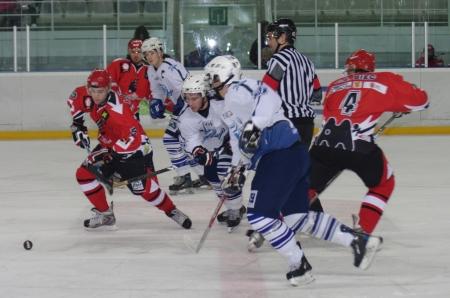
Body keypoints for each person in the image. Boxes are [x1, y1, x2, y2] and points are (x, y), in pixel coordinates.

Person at [204, 55, 382, 286]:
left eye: (213, 76)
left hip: (280, 155)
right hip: (290, 155)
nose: (210, 81)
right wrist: (237, 169)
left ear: (228, 75)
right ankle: (358, 242)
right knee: (297, 218)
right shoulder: (228, 106)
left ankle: (299, 265)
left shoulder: (241, 87)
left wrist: (255, 125)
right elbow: (242, 142)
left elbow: (269, 98)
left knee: (259, 217)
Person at [309, 49, 429, 237]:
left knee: (307, 185)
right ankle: (364, 230)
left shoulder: (334, 84)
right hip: (358, 147)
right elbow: (421, 101)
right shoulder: (384, 79)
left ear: (350, 68)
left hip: (323, 144)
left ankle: (279, 220)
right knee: (384, 183)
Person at [67, 69, 192, 230]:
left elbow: (133, 141)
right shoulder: (85, 94)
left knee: (145, 191)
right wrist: (78, 126)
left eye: (100, 91)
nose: (96, 95)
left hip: (136, 149)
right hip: (110, 143)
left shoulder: (118, 113)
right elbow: (74, 100)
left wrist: (114, 165)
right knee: (83, 175)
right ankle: (106, 214)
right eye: (92, 91)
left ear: (108, 89)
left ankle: (171, 210)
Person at [178, 74, 246, 231]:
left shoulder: (221, 105)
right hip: (210, 151)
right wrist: (199, 152)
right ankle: (234, 207)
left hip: (229, 147)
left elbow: (237, 122)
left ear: (204, 95)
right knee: (212, 179)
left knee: (225, 173)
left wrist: (233, 139)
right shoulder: (186, 118)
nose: (190, 103)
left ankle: (234, 210)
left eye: (194, 98)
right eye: (187, 98)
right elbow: (191, 140)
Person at [141, 37, 210, 194]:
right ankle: (202, 175)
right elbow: (157, 90)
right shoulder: (152, 70)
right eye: (146, 54)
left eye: (152, 52)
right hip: (183, 108)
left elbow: (188, 88)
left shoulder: (170, 67)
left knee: (172, 139)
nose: (149, 56)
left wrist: (180, 105)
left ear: (160, 52)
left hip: (190, 107)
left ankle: (187, 176)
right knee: (180, 141)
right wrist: (155, 102)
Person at [262, 18, 321, 147]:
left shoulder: (279, 59)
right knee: (298, 165)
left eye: (271, 36)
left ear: (282, 37)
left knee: (281, 165)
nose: (269, 41)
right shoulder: (307, 62)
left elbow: (265, 90)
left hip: (287, 124)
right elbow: (317, 94)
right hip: (307, 125)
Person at [106, 39, 150, 120]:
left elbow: (150, 93)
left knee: (136, 131)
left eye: (139, 52)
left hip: (133, 112)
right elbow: (107, 81)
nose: (136, 55)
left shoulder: (149, 70)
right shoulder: (119, 64)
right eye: (133, 52)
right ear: (129, 52)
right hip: (115, 109)